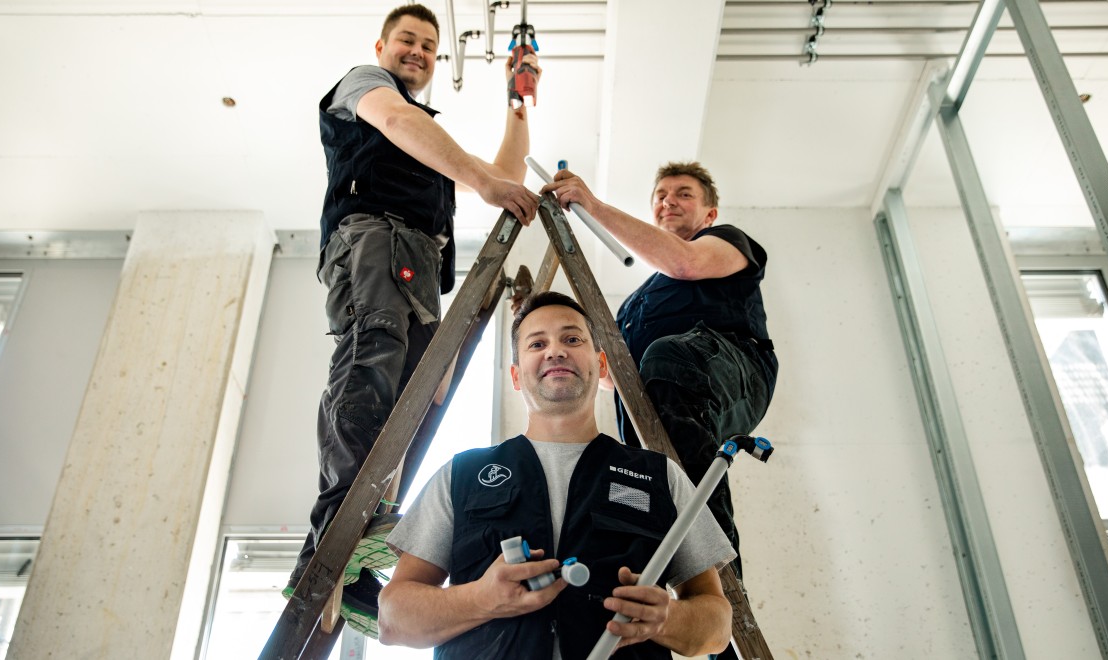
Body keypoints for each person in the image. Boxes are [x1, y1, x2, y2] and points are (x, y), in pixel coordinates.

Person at [285, 3, 542, 637]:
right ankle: (332, 538)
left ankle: (353, 544)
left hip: (421, 266)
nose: (419, 51)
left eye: (429, 45)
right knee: (370, 368)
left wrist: (519, 105)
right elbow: (400, 122)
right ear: (381, 45)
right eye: (408, 40)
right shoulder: (364, 87)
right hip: (374, 240)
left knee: (413, 404)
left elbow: (502, 178)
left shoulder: (430, 139)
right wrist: (480, 179)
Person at [378, 292, 736, 659]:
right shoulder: (461, 475)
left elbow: (718, 628)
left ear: (599, 365)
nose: (555, 351)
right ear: (516, 376)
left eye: (572, 339)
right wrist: (480, 599)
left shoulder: (660, 477)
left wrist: (668, 619)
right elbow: (393, 619)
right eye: (537, 343)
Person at [541, 163, 777, 590]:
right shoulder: (637, 303)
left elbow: (683, 263)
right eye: (661, 195)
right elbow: (619, 379)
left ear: (709, 214)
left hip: (730, 372)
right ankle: (686, 594)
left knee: (669, 358)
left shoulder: (725, 242)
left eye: (684, 194)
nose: (669, 200)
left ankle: (723, 584)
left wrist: (591, 205)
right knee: (626, 488)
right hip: (659, 409)